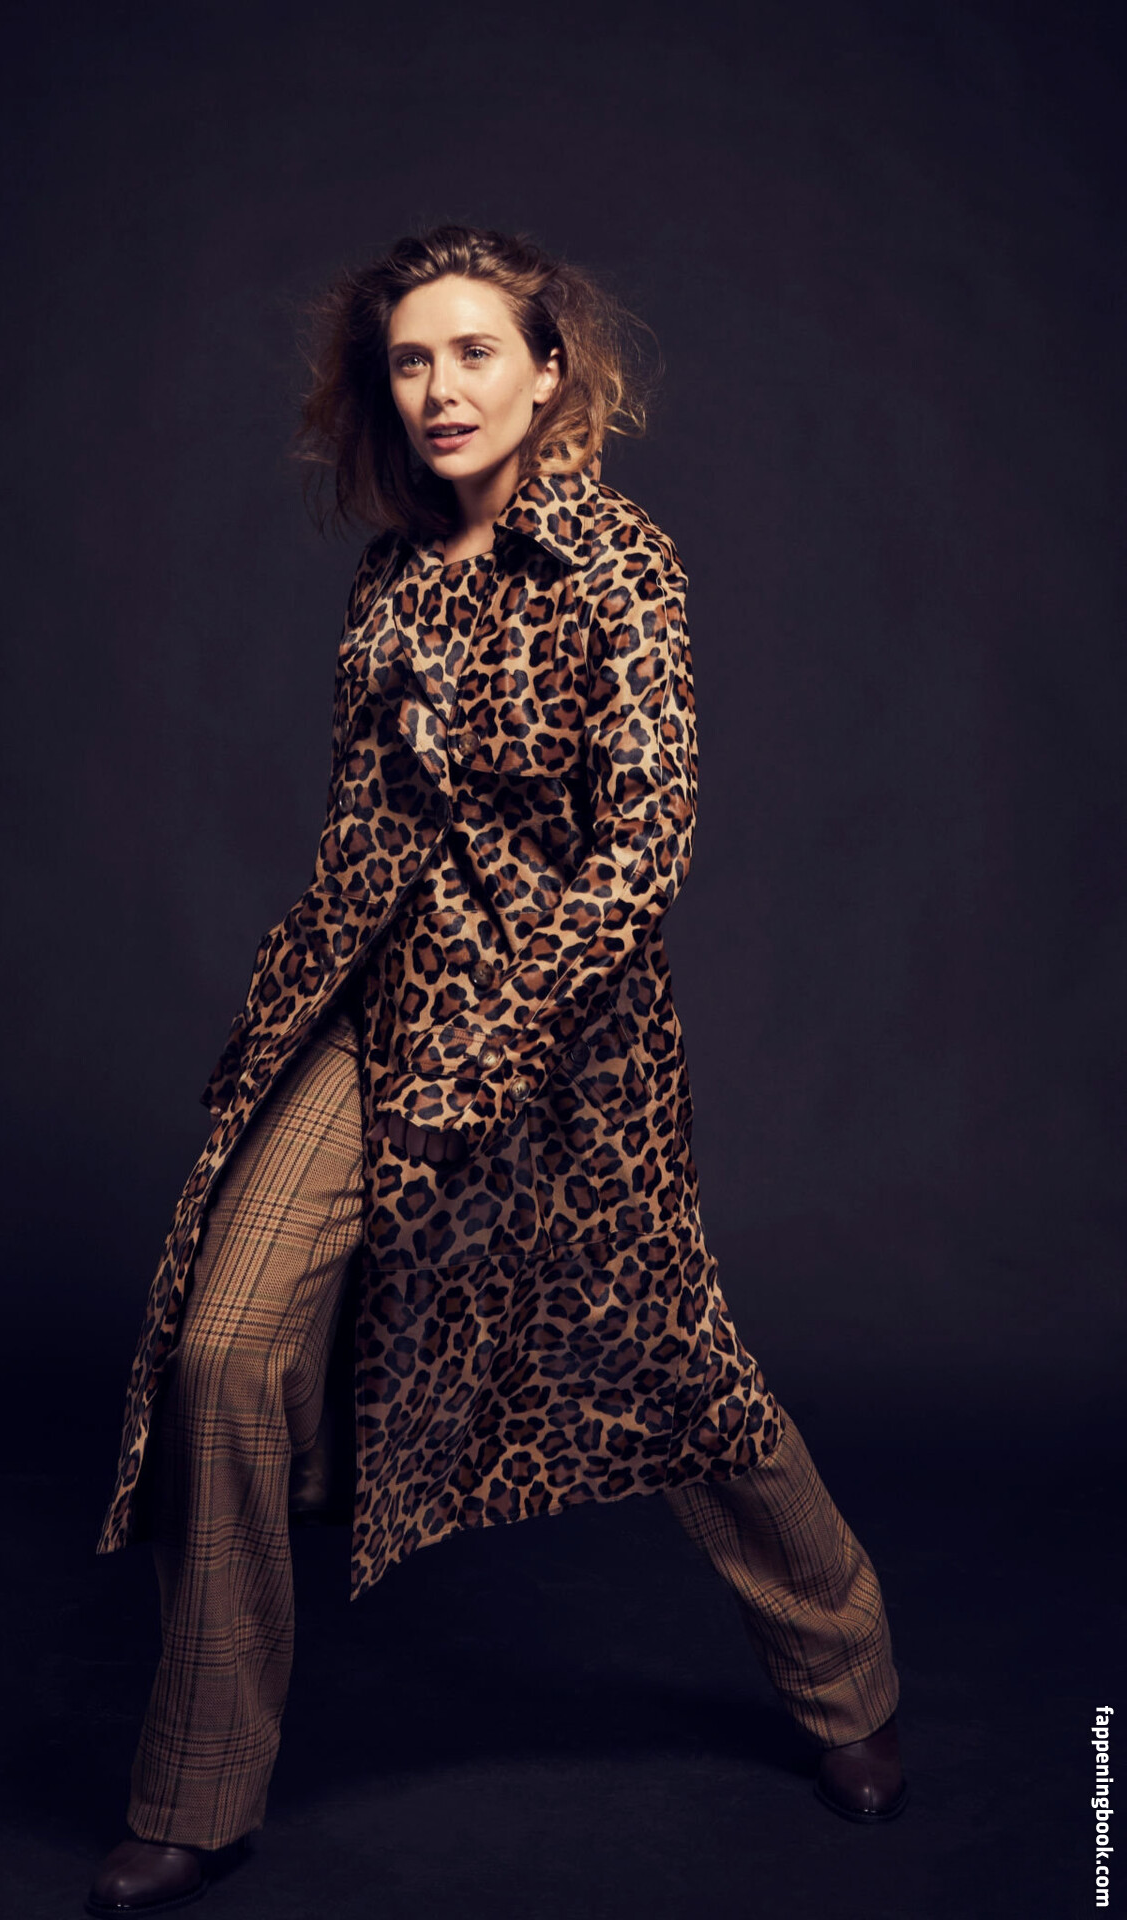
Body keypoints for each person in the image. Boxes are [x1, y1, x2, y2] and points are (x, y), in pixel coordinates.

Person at [86, 225, 906, 1917]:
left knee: (676, 1371)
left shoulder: (619, 559)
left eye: (474, 352)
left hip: (569, 1041)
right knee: (226, 1351)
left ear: (549, 371)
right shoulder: (390, 576)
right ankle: (199, 1789)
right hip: (374, 1010)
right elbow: (363, 828)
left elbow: (646, 847)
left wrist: (493, 1042)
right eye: (410, 359)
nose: (441, 388)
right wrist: (299, 1004)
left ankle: (850, 1685)